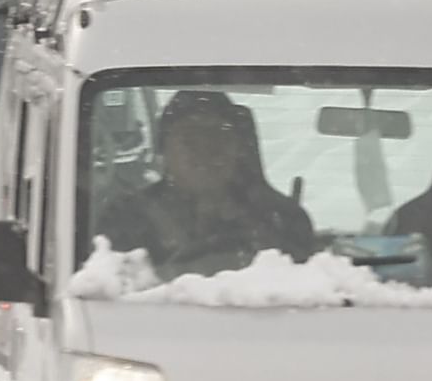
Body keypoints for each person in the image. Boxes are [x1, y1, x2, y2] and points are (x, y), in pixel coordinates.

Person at [93, 90, 319, 281]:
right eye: (190, 139)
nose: (205, 151)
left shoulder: (282, 219)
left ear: (239, 148)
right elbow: (104, 297)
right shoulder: (127, 218)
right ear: (164, 150)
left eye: (217, 137)